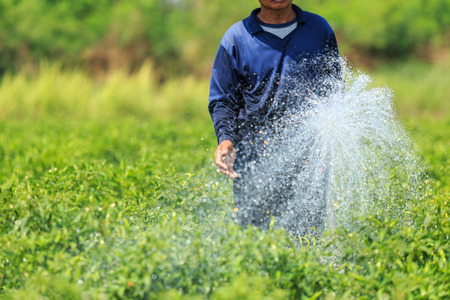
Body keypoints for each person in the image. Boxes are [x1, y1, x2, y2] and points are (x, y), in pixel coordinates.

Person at [209, 0, 341, 237]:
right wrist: (225, 138)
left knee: (307, 239)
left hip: (308, 160)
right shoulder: (236, 38)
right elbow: (222, 100)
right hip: (253, 159)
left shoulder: (319, 30)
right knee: (254, 242)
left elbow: (333, 89)